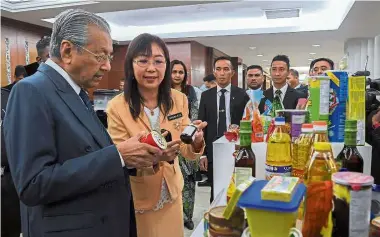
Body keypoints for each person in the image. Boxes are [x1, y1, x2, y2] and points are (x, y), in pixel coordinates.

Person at [3, 9, 160, 237]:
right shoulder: (31, 91)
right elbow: (33, 184)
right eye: (100, 56)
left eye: (110, 57)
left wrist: (134, 156)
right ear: (67, 51)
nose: (107, 66)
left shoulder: (77, 92)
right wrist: (118, 156)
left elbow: (85, 154)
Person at [106, 33, 207, 237]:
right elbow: (123, 158)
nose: (151, 68)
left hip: (172, 195)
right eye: (143, 61)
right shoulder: (117, 106)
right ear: (131, 66)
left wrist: (196, 142)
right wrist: (158, 157)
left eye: (158, 61)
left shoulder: (178, 99)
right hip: (138, 199)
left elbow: (185, 150)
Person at [198, 56, 249, 202]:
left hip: (236, 148)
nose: (222, 73)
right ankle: (215, 218)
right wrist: (203, 154)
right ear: (214, 72)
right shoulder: (206, 96)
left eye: (226, 69)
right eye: (218, 69)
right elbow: (202, 126)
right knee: (216, 188)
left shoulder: (241, 94)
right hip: (213, 149)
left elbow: (246, 121)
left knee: (237, 186)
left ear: (232, 73)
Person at [170, 59, 200, 230]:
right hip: (170, 142)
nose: (177, 75)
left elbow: (193, 116)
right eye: (174, 72)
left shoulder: (191, 92)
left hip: (187, 139)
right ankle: (174, 215)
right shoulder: (162, 92)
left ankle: (187, 216)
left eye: (180, 72)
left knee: (188, 183)